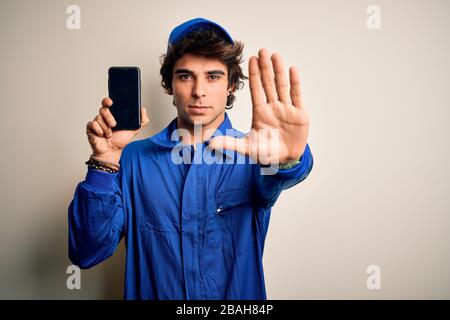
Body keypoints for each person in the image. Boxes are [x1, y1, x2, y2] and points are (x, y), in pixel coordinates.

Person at [68, 17, 314, 300]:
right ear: (168, 84)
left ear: (231, 84)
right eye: (185, 76)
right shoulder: (131, 159)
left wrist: (288, 157)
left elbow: (289, 172)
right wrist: (104, 161)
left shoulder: (255, 156)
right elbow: (86, 252)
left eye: (213, 76)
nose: (199, 91)